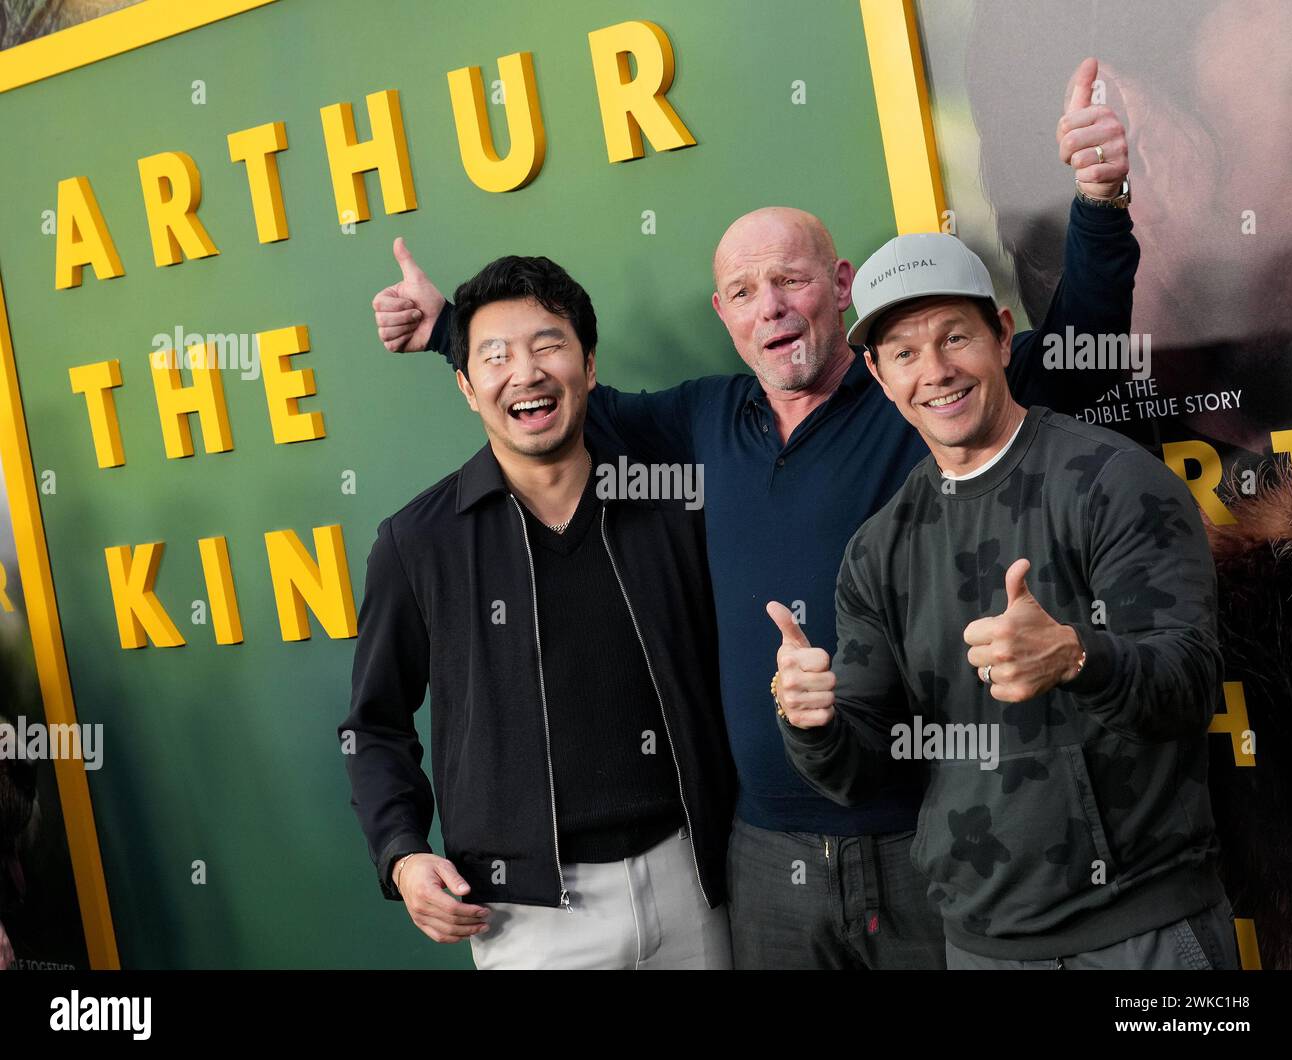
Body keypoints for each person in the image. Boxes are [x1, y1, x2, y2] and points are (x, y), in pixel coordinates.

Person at [371, 59, 1140, 969]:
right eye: (743, 292)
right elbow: (545, 391)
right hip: (761, 855)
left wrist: (1098, 201)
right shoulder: (697, 420)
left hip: (931, 831)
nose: (770, 307)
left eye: (791, 281)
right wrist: (453, 328)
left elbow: (1082, 364)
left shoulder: (919, 394)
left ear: (843, 283)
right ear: (722, 314)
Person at [770, 231, 1237, 969]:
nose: (936, 371)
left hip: (1143, 934)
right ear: (880, 375)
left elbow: (1187, 688)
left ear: (1003, 336)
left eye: (955, 336)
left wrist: (1081, 656)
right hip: (981, 947)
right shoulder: (877, 550)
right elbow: (860, 771)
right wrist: (811, 722)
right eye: (904, 352)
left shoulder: (1114, 482)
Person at [340, 256, 734, 969]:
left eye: (548, 345)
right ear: (465, 387)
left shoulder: (670, 502)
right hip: (526, 917)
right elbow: (373, 727)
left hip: (696, 882)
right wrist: (401, 855)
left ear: (588, 366)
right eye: (494, 356)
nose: (524, 372)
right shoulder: (416, 541)